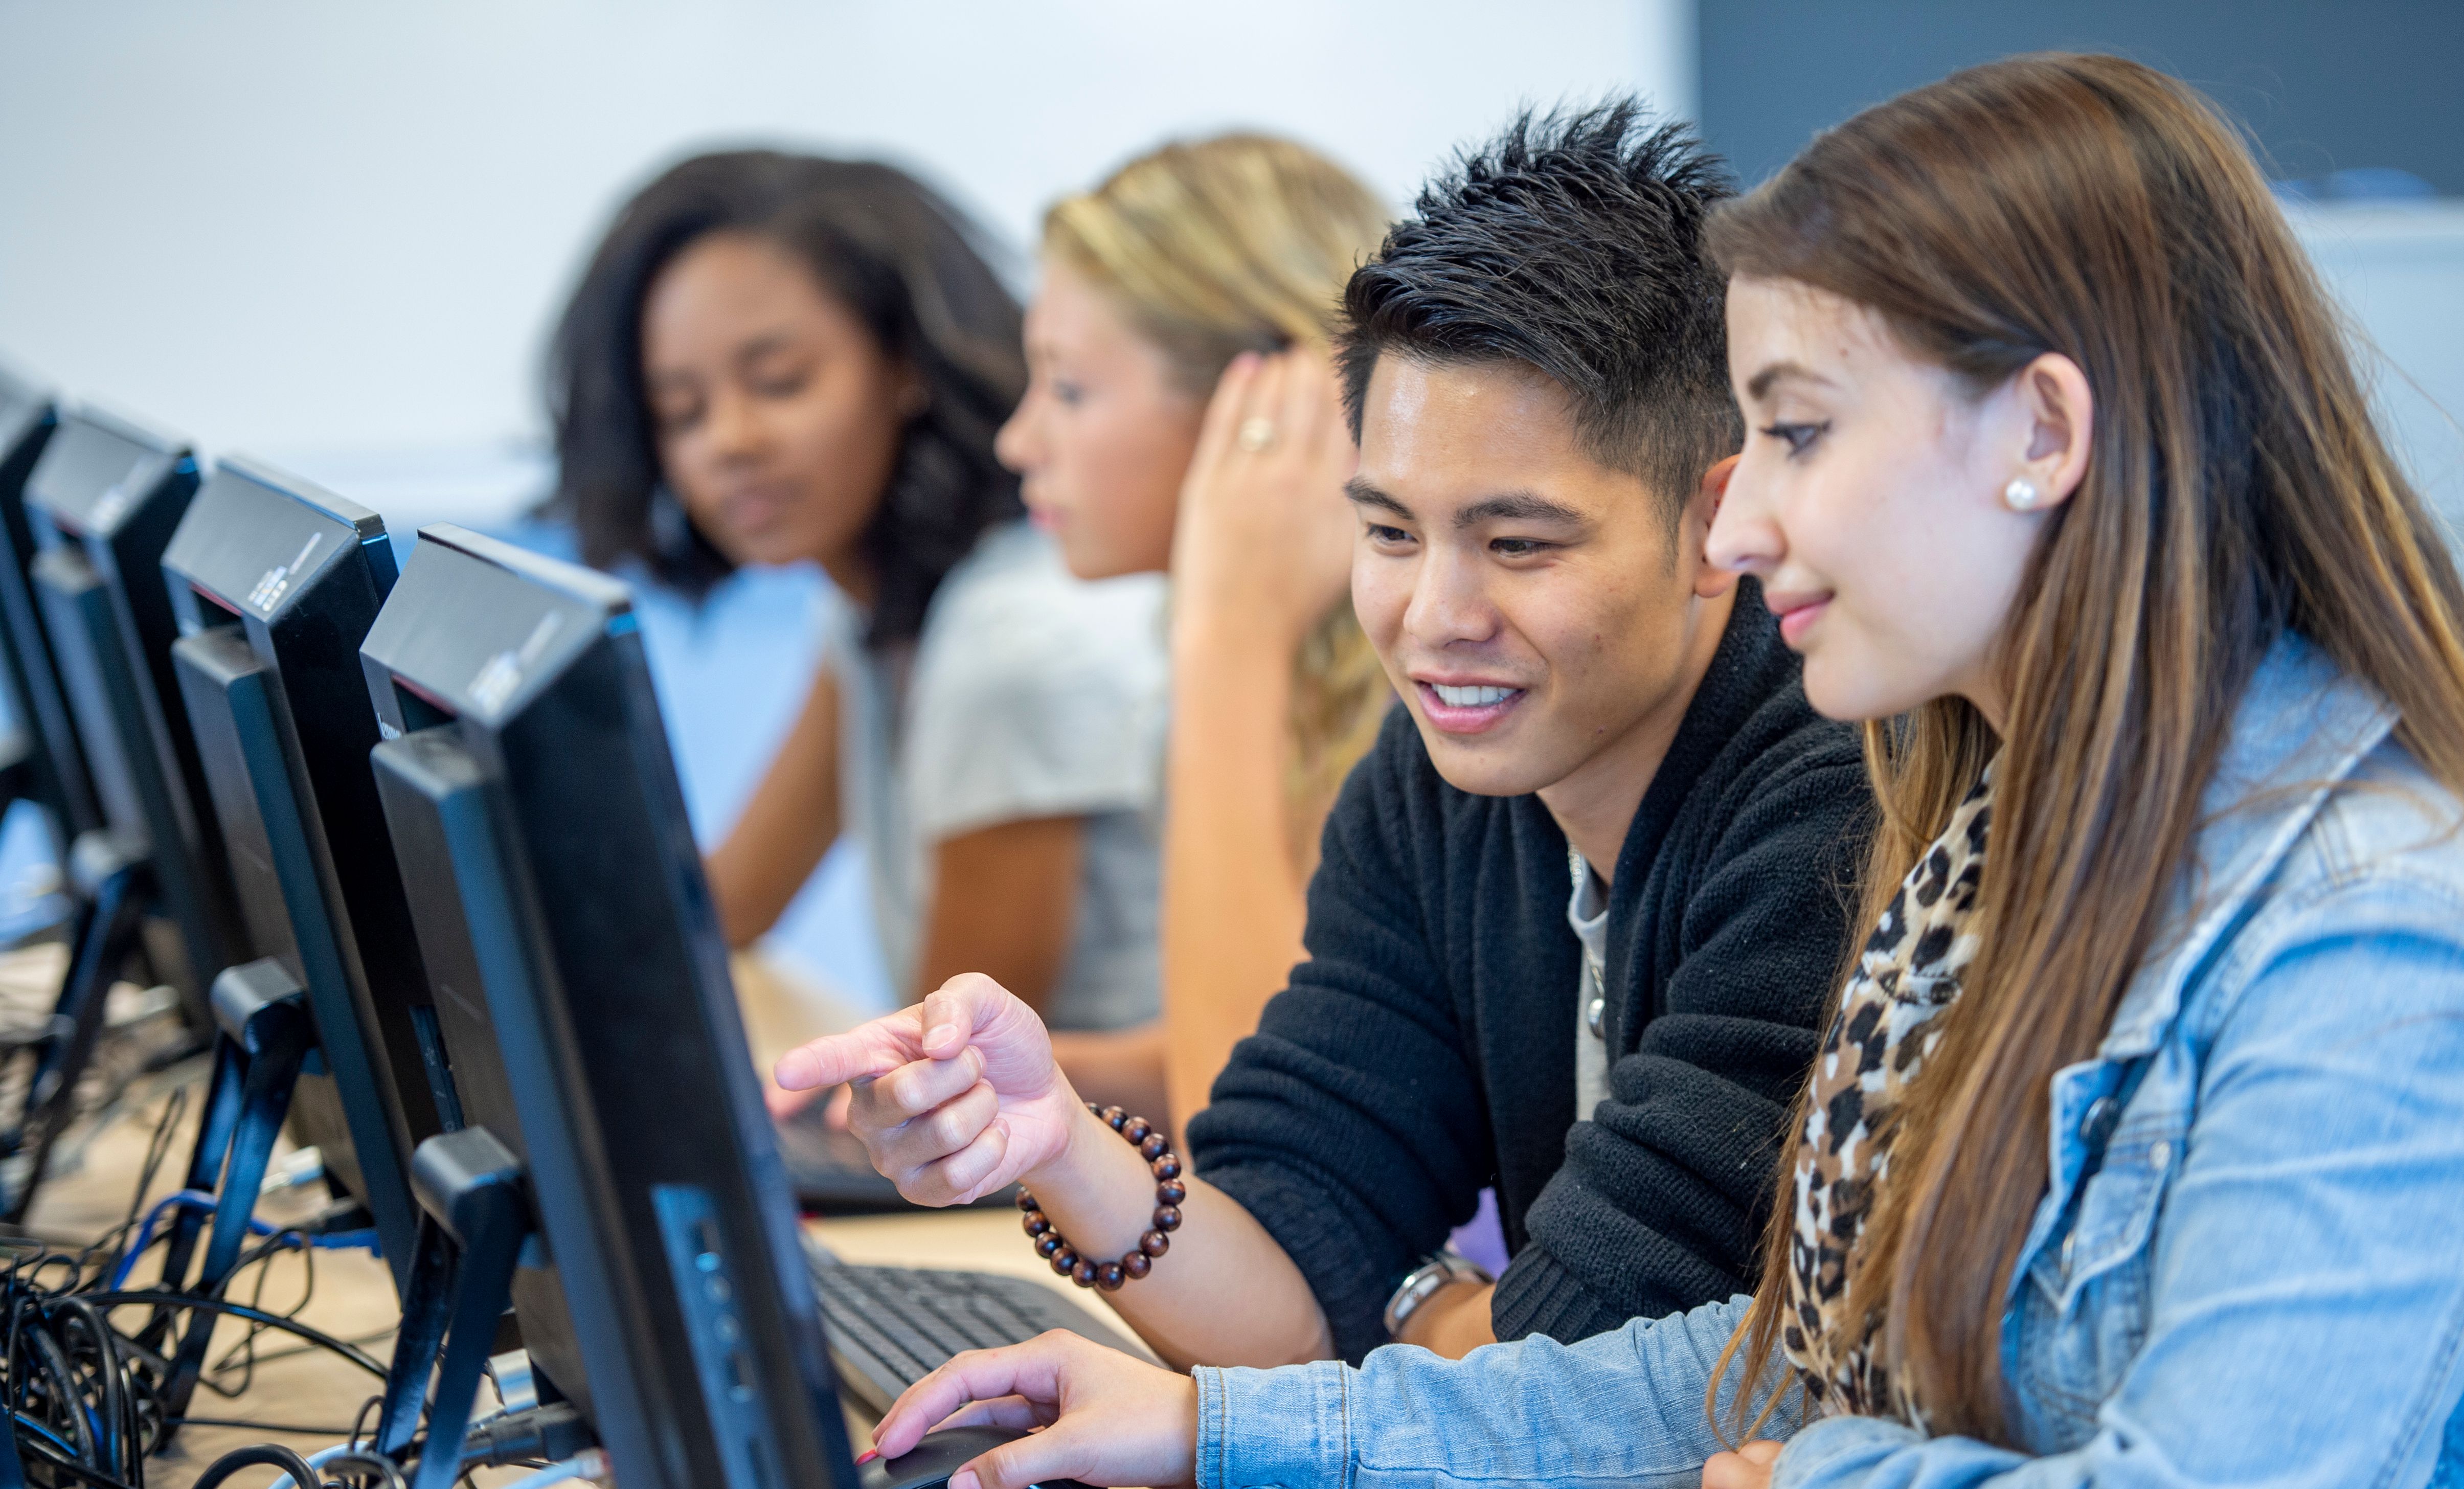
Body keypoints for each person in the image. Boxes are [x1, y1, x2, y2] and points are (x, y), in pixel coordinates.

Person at [851, 55, 2464, 1489]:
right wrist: (1221, 1428)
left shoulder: (2361, 941)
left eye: (1793, 434)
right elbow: (1791, 1370)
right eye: (1388, 529)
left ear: (2039, 433)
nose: (1733, 528)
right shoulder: (2008, 855)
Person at [777, 105, 1874, 1369]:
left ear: (1713, 524)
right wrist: (1057, 1143)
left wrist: (1396, 1304)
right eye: (1391, 533)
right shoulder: (1436, 783)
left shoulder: (1829, 803)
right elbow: (1289, 1260)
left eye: (1518, 543)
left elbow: (1584, 1362)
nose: (1434, 619)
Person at [547, 150, 1168, 1042]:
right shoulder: (869, 610)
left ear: (905, 362)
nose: (729, 441)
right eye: (681, 411)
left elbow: (947, 1067)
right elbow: (726, 909)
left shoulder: (1011, 645)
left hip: (1122, 1174)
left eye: (779, 382)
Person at [996, 134, 1395, 1120]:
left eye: (1069, 388)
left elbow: (1258, 1118)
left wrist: (1230, 633)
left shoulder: (1419, 695)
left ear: (1263, 403)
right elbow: (1277, 1019)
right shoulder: (1316, 677)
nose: (1019, 439)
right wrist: (1002, 1073)